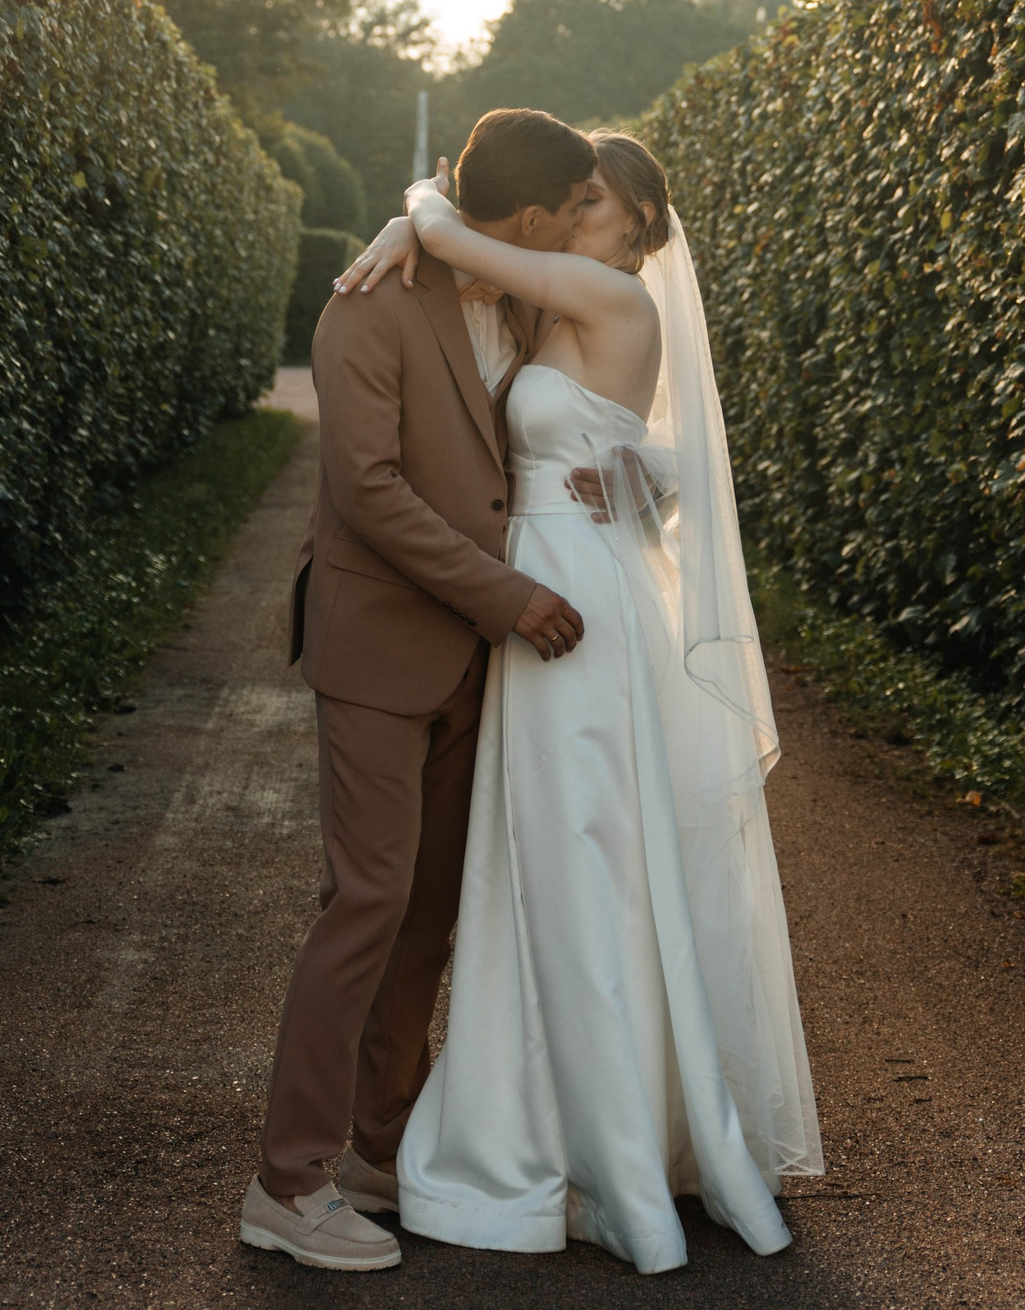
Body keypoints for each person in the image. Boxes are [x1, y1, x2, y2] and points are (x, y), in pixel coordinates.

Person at [346, 130, 821, 1275]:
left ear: (642, 224)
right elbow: (470, 247)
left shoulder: (612, 299)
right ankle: (551, 1126)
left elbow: (456, 230)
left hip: (581, 604)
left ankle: (603, 1149)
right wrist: (416, 222)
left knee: (586, 857)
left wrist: (410, 210)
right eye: (569, 201)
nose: (573, 216)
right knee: (536, 861)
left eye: (594, 202)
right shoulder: (544, 303)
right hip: (536, 583)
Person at [240, 106, 598, 1274]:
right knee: (366, 903)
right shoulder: (367, 304)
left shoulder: (525, 294)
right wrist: (509, 596)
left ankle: (380, 1156)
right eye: (573, 211)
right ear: (532, 218)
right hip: (382, 646)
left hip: (476, 665)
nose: (580, 227)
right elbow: (370, 491)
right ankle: (286, 1184)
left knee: (429, 917)